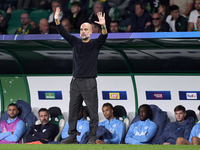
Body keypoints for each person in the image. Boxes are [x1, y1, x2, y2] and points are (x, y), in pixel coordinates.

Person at [55, 6, 108, 144]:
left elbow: (104, 36)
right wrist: (56, 20)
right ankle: (72, 136)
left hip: (89, 82)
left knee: (92, 112)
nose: (83, 32)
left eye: (86, 30)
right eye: (81, 30)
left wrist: (103, 26)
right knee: (72, 111)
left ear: (91, 32)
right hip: (75, 82)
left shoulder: (95, 44)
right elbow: (63, 32)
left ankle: (92, 137)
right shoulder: (75, 42)